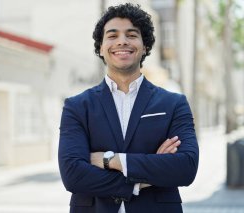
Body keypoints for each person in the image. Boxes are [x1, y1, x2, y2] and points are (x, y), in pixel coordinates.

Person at [58, 3, 199, 213]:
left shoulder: (173, 104)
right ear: (101, 47)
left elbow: (185, 168)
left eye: (131, 35)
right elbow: (73, 175)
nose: (122, 41)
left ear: (145, 46)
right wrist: (141, 180)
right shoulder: (77, 107)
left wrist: (110, 160)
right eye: (112, 35)